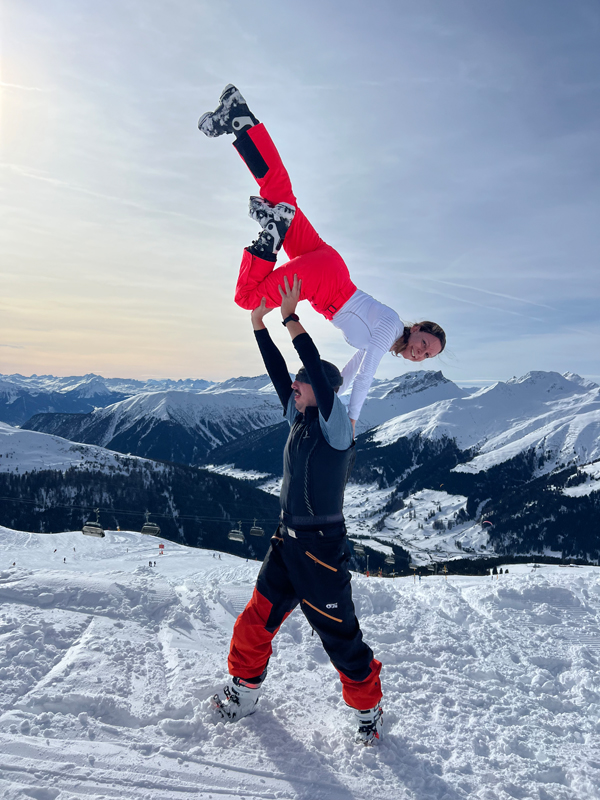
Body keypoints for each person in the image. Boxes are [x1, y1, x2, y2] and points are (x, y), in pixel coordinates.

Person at [198, 85, 446, 427]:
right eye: (424, 343)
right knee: (248, 299)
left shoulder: (383, 334)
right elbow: (367, 375)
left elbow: (352, 371)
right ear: (416, 329)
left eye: (427, 355)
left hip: (328, 265)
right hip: (323, 282)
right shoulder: (389, 328)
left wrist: (331, 397)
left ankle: (240, 120)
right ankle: (270, 237)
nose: (420, 353)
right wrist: (351, 422)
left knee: (280, 194)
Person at [211, 277, 383, 745]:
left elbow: (315, 375)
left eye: (301, 384)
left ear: (319, 390)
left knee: (340, 638)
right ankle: (244, 691)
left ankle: (368, 710)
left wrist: (292, 319)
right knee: (255, 620)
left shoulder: (337, 427)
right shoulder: (299, 416)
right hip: (286, 544)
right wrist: (258, 325)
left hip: (321, 552)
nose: (293, 386)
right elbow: (277, 372)